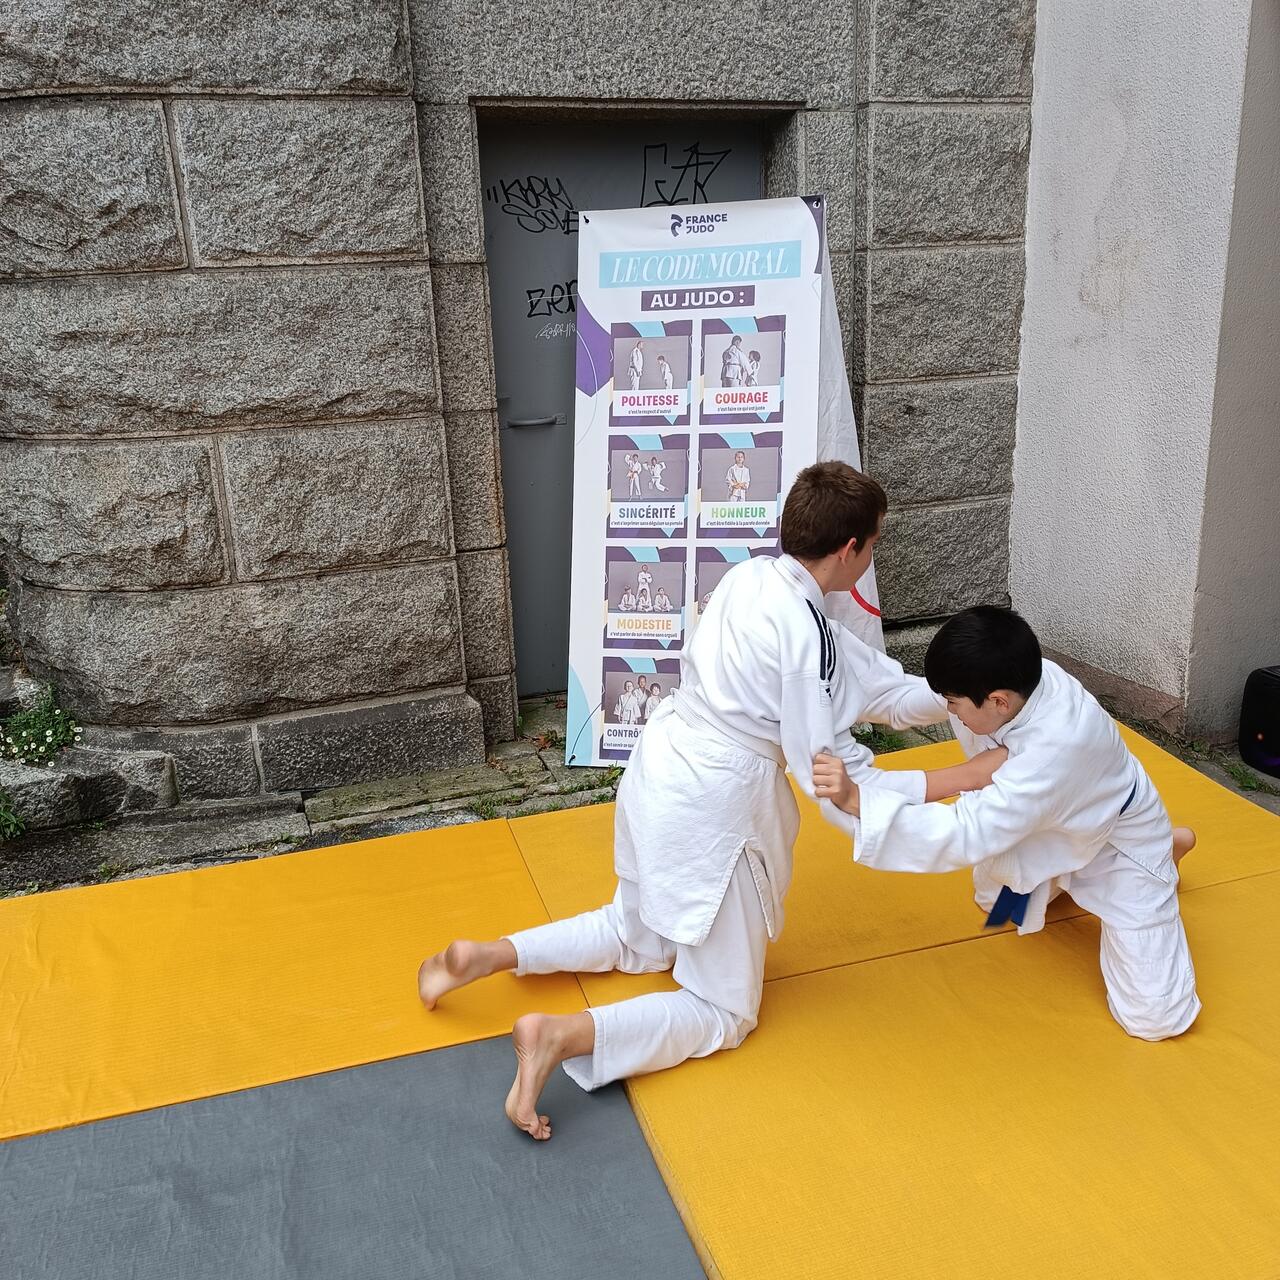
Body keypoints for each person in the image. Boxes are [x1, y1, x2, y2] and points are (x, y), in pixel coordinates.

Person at [418, 462, 1004, 1140]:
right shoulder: (804, 632)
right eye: (875, 542)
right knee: (724, 1011)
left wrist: (965, 684)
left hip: (660, 768)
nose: (874, 554)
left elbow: (875, 687)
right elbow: (832, 776)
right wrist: (967, 777)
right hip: (713, 806)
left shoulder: (755, 578)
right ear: (851, 550)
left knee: (636, 930)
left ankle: (490, 955)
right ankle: (561, 1034)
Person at [813, 606, 1201, 1042]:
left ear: (997, 700)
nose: (949, 711)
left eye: (955, 704)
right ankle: (1100, 867)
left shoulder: (1056, 745)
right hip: (1042, 830)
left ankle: (1161, 853)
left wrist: (860, 799)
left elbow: (964, 832)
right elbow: (963, 769)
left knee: (1155, 1020)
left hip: (1116, 838)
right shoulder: (1019, 678)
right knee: (993, 903)